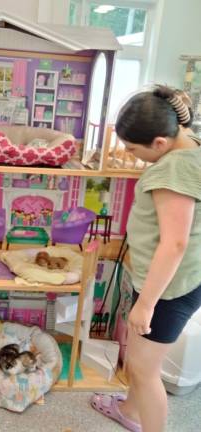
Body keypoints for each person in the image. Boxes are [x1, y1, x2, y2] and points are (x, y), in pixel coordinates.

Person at [91, 85, 201, 432]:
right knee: (140, 358)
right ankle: (130, 411)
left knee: (143, 368)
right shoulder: (187, 148)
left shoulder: (174, 169)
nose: (131, 155)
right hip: (167, 282)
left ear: (159, 143)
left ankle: (146, 421)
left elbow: (174, 244)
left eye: (133, 149)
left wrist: (146, 303)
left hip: (168, 289)